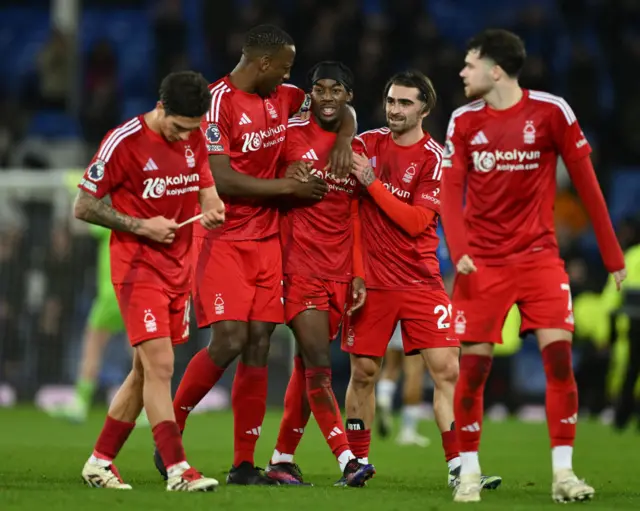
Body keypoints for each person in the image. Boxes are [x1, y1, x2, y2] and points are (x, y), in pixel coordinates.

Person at [157, 25, 357, 485]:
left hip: (267, 241)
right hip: (223, 237)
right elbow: (222, 178)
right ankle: (171, 430)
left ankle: (244, 464)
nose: (291, 79)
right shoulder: (216, 103)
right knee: (228, 339)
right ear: (263, 63)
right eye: (285, 67)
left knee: (260, 344)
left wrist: (345, 137)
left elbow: (335, 108)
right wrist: (289, 186)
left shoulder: (282, 96)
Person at [440, 29, 626, 503]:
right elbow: (450, 192)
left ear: (495, 69)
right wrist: (458, 248)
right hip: (481, 263)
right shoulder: (463, 122)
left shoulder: (551, 112)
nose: (462, 72)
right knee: (474, 371)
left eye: (469, 63)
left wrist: (612, 256)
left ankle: (564, 474)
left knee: (560, 360)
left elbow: (586, 183)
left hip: (539, 258)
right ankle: (469, 473)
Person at [342, 70, 501, 491]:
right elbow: (351, 214)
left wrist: (371, 182)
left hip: (420, 280)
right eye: (391, 101)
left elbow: (415, 222)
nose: (395, 109)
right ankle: (356, 463)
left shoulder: (436, 158)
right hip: (371, 281)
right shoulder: (365, 144)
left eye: (405, 103)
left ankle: (459, 467)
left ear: (425, 109)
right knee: (363, 372)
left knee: (447, 369)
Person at [76, 70, 225, 491]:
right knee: (161, 365)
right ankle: (178, 470)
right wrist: (141, 227)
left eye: (192, 130)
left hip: (180, 267)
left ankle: (99, 462)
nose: (184, 138)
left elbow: (207, 188)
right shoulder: (123, 141)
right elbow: (83, 205)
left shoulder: (194, 134)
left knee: (143, 372)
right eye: (178, 128)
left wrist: (212, 207)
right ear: (160, 108)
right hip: (137, 267)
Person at [259, 61, 375, 487]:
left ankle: (281, 459)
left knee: (305, 369)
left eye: (336, 90)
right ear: (310, 94)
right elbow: (260, 181)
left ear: (349, 97)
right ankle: (347, 460)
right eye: (319, 89)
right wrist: (285, 181)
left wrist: (358, 274)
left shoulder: (356, 147)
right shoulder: (287, 137)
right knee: (321, 368)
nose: (327, 96)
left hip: (339, 274)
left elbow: (356, 216)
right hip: (299, 268)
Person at [47, 222, 148, 426]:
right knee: (139, 352)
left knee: (92, 346)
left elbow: (80, 222)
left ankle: (81, 403)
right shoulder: (140, 223)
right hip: (135, 292)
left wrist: (78, 193)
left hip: (111, 295)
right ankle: (145, 408)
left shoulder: (110, 222)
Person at [376, 325, 430, 447]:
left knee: (391, 367)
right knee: (414, 371)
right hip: (413, 317)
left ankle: (383, 397)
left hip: (393, 317)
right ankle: (408, 431)